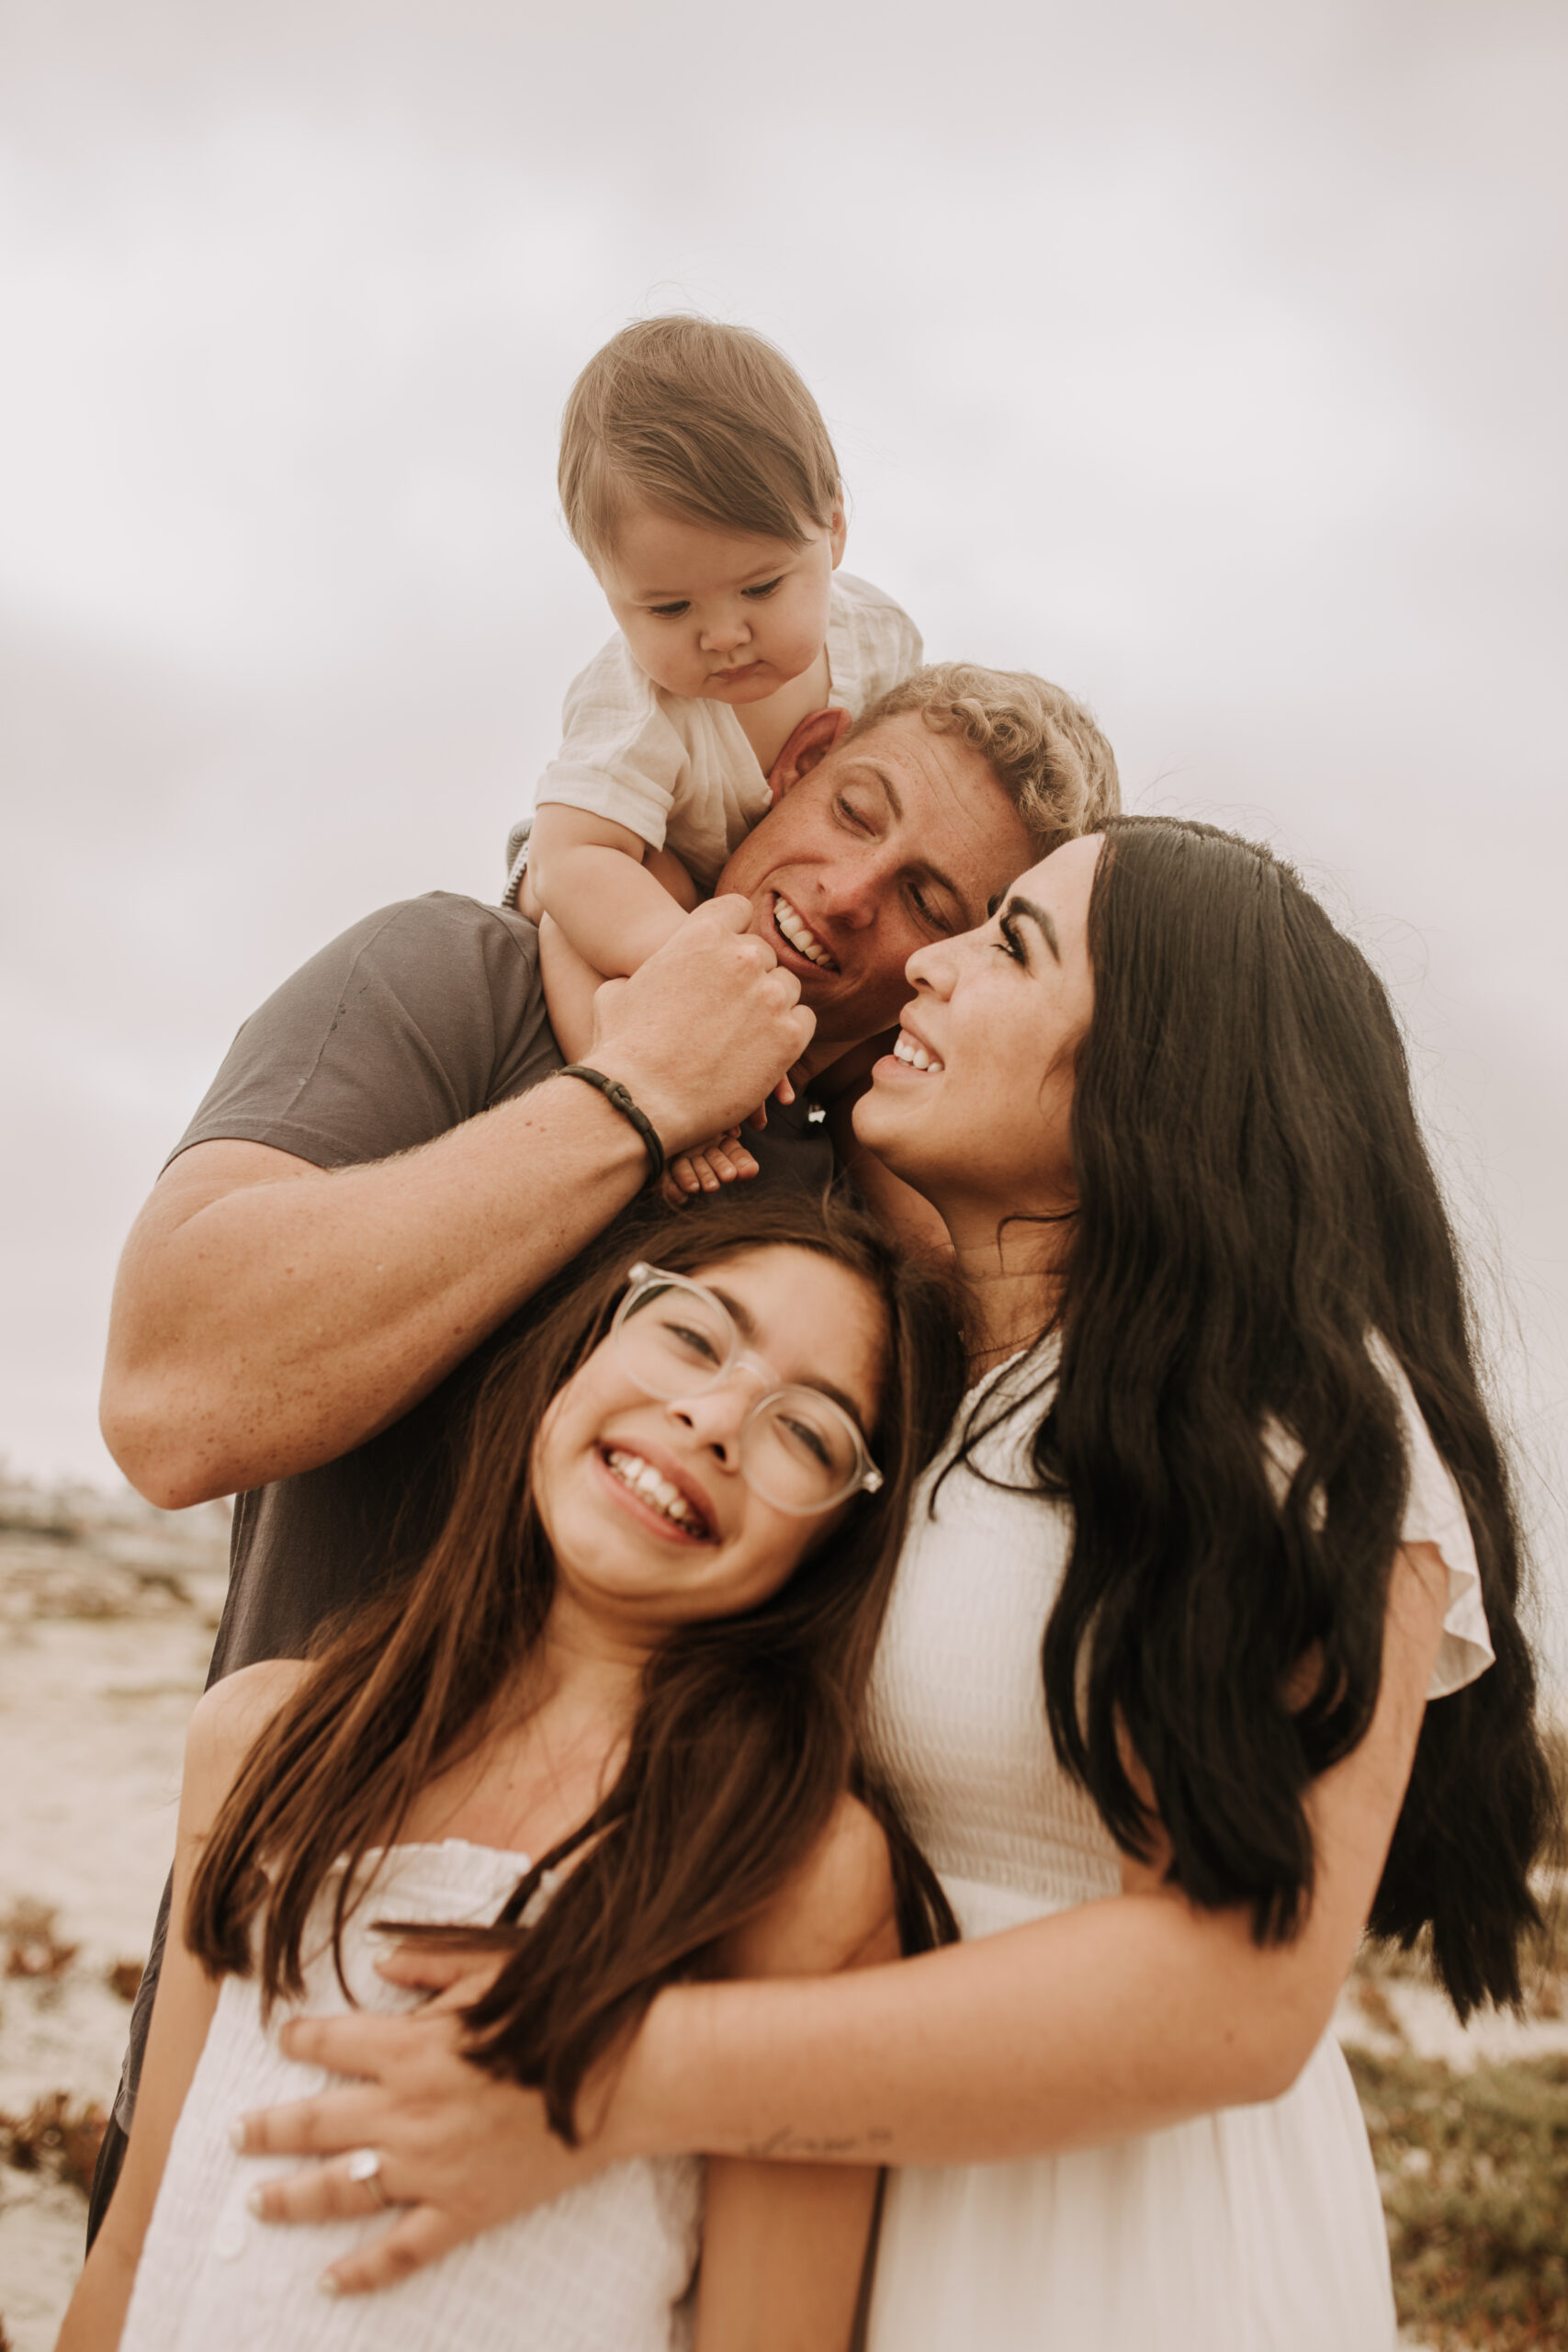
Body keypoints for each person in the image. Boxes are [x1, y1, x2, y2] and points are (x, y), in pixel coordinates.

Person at [234, 819, 1551, 2349]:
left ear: (1150, 1071)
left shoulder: (1294, 1418)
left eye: (1009, 941)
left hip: (1103, 2246)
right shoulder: (928, 1392)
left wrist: (599, 2071)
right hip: (815, 2195)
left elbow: (1233, 1993)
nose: (929, 962)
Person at [86, 661, 1121, 2238]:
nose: (845, 896)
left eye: (926, 898)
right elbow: (172, 1402)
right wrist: (637, 1092)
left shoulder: (902, 1234)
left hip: (623, 2144)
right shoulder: (452, 979)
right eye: (850, 811)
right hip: (250, 2038)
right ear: (802, 755)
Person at [60, 1193, 968, 2350]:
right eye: (693, 1336)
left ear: (836, 1541)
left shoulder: (793, 1869)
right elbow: (133, 2249)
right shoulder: (261, 1736)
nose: (715, 1415)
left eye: (809, 1432)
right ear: (584, 1348)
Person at [507, 314, 924, 1194]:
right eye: (666, 610)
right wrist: (686, 960)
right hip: (626, 887)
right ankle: (635, 1086)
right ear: (609, 593)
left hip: (776, 897)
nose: (724, 635)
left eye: (762, 586)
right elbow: (572, 854)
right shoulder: (637, 703)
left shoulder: (876, 640)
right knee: (572, 911)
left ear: (835, 531)